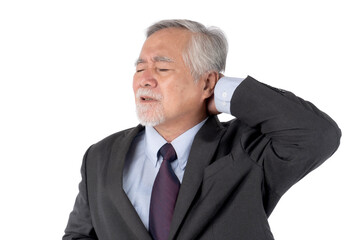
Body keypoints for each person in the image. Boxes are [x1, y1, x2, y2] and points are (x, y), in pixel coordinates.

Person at [63, 19, 341, 240]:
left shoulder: (246, 150)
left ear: (207, 82)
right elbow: (79, 235)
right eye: (139, 69)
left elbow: (317, 135)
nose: (144, 80)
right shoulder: (100, 156)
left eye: (161, 68)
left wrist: (223, 93)